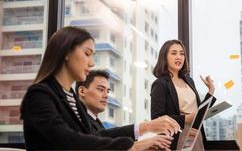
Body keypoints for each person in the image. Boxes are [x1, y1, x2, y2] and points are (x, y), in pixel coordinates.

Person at [20, 26, 173, 151]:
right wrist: (132, 146)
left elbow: (95, 135)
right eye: (87, 54)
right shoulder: (39, 94)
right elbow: (66, 140)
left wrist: (144, 132)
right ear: (66, 52)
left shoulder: (71, 97)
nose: (92, 63)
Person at [75, 69, 181, 140]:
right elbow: (95, 141)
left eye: (108, 91)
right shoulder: (76, 118)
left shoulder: (95, 122)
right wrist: (145, 127)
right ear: (82, 91)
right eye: (100, 89)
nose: (106, 95)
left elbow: (106, 142)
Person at [150, 39, 217, 150]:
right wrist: (186, 119)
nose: (179, 57)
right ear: (164, 57)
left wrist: (211, 91)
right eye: (174, 53)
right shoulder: (160, 84)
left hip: (195, 134)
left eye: (182, 54)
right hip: (177, 137)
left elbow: (199, 112)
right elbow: (157, 118)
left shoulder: (189, 81)